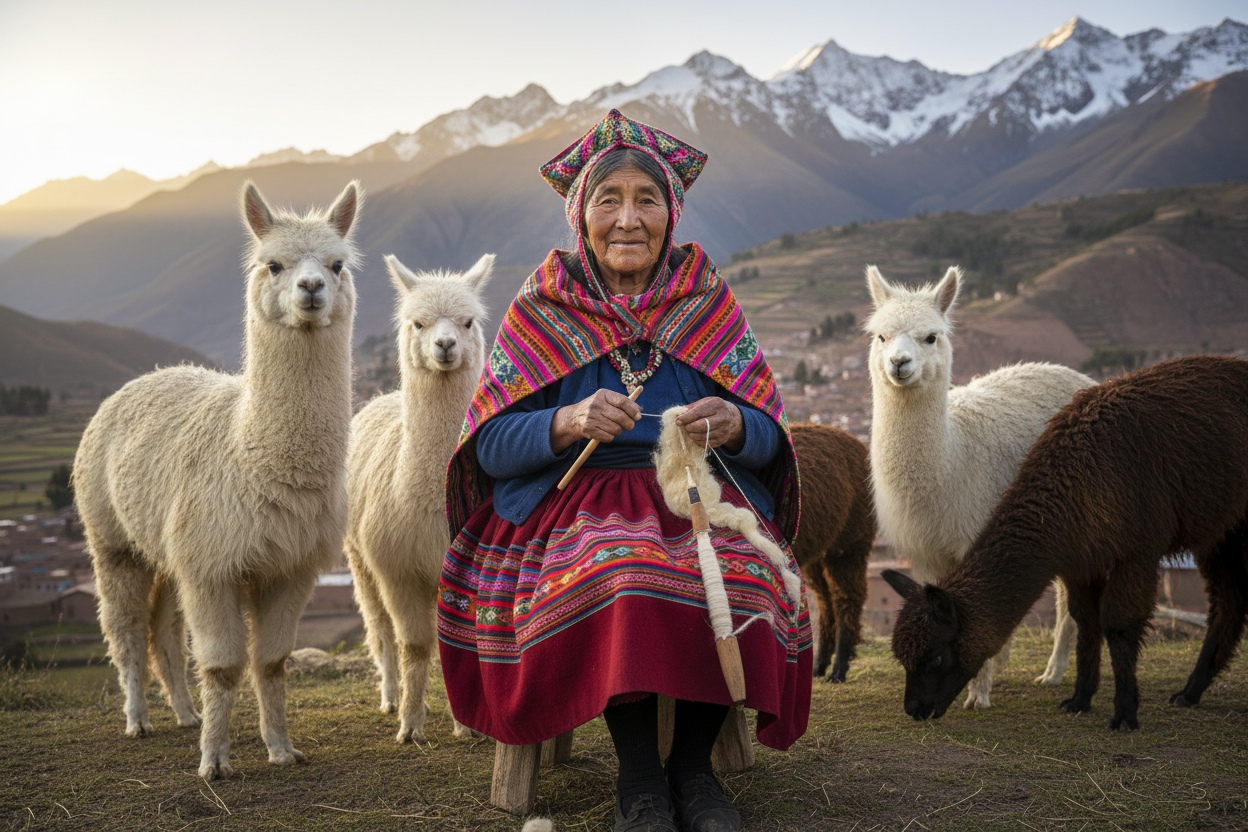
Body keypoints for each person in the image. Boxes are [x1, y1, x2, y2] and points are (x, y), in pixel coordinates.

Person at [439, 109, 811, 832]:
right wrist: (565, 421)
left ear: (671, 214)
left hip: (695, 494)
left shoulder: (709, 303)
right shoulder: (543, 307)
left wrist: (736, 424)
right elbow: (488, 446)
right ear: (582, 215)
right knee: (625, 572)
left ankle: (693, 774)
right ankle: (640, 783)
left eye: (648, 199)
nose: (628, 218)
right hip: (572, 504)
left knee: (737, 572)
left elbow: (770, 438)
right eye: (609, 199)